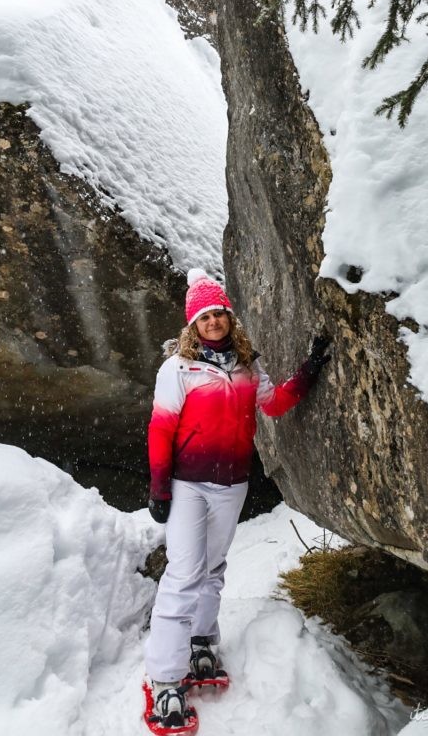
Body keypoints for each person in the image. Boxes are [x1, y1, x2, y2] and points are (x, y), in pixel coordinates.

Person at [144, 269, 331, 729]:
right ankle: (165, 679)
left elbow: (274, 404)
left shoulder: (248, 366)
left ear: (229, 318)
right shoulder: (178, 369)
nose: (213, 322)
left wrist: (310, 370)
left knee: (213, 567)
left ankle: (203, 640)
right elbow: (161, 428)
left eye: (219, 314)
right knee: (184, 572)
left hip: (232, 484)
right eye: (204, 316)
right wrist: (159, 487)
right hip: (189, 484)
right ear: (193, 324)